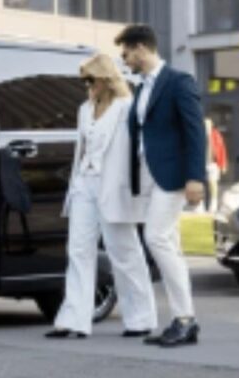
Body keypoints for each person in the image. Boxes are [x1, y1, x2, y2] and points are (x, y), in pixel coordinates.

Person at [46, 54, 157, 339]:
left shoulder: (126, 107)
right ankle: (73, 320)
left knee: (124, 252)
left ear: (106, 80)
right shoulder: (84, 109)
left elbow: (140, 149)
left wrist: (142, 188)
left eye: (91, 80)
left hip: (114, 187)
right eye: (85, 81)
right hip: (84, 184)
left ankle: (141, 319)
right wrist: (77, 183)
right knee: (78, 250)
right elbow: (83, 149)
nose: (88, 86)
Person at [116, 24, 206, 348]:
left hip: (172, 176)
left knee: (155, 237)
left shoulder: (178, 81)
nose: (125, 60)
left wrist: (195, 177)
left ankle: (185, 319)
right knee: (170, 244)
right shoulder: (142, 87)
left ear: (141, 48)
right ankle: (183, 321)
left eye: (126, 53)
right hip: (148, 177)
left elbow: (195, 131)